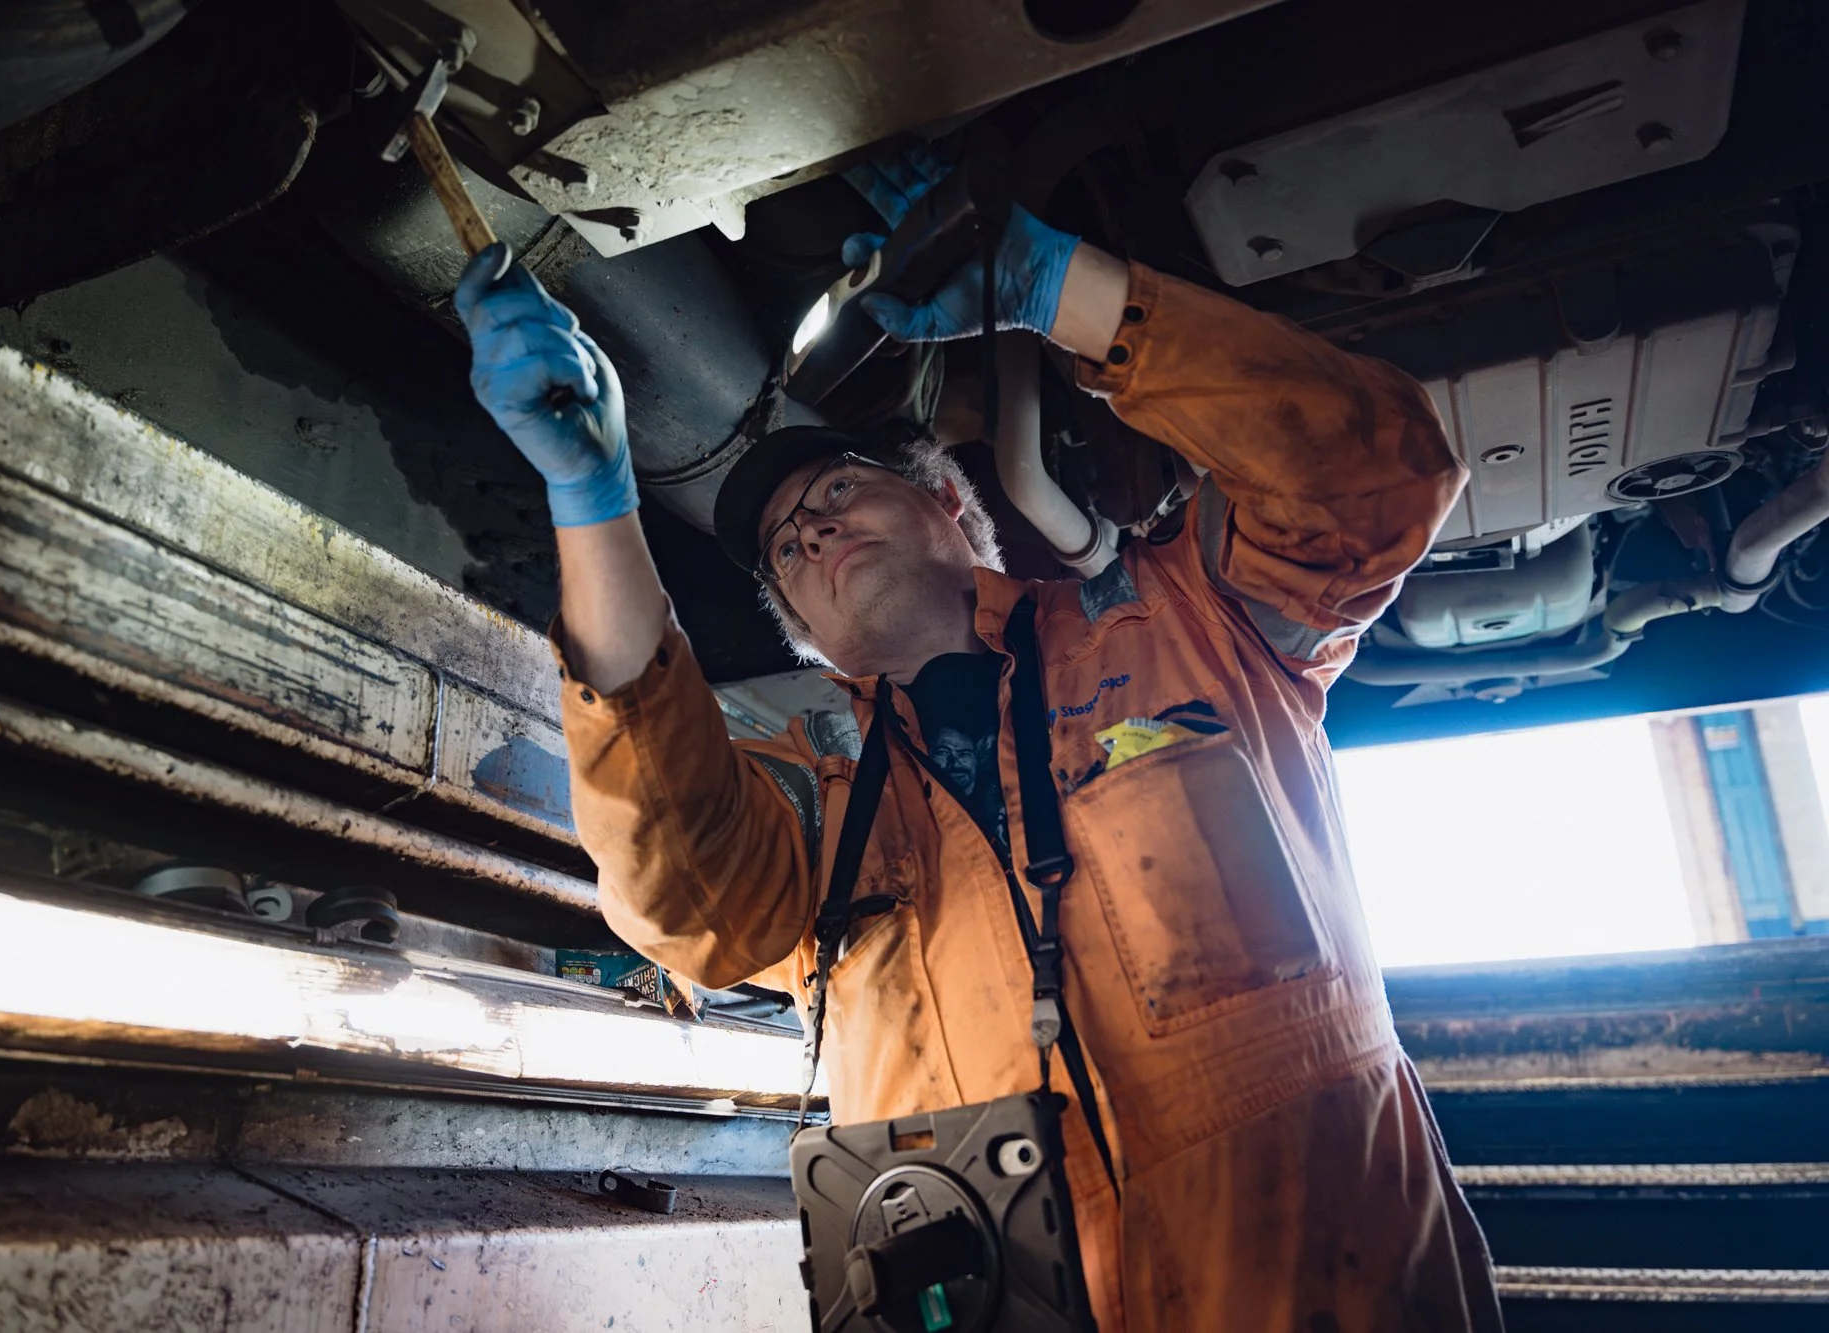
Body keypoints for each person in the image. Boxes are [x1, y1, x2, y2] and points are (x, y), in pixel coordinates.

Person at [453, 149, 1504, 1330]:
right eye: (785, 553)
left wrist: (1060, 291)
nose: (807, 532)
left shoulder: (1190, 629)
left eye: (837, 492)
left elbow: (1374, 480)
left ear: (951, 502)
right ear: (807, 642)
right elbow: (685, 900)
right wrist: (593, 505)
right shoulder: (820, 836)